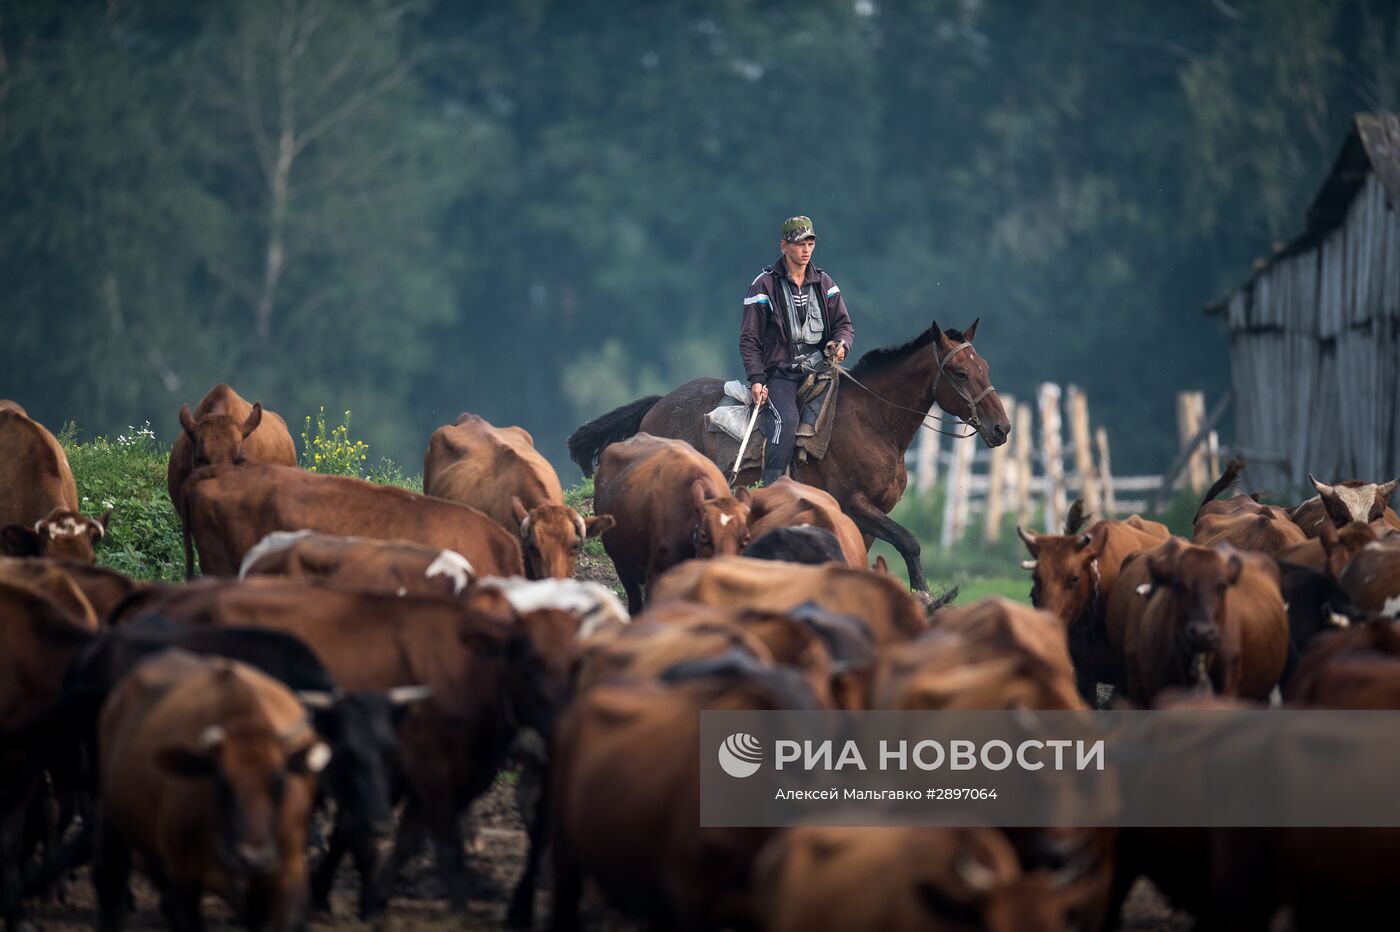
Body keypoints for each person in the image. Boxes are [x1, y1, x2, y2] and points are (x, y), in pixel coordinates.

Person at [739, 215, 854, 485]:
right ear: (784, 245)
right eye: (800, 243)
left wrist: (842, 345)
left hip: (820, 369)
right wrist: (757, 378)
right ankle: (771, 488)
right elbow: (749, 339)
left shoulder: (825, 282)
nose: (806, 250)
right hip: (781, 374)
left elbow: (844, 325)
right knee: (787, 422)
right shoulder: (763, 285)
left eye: (810, 243)